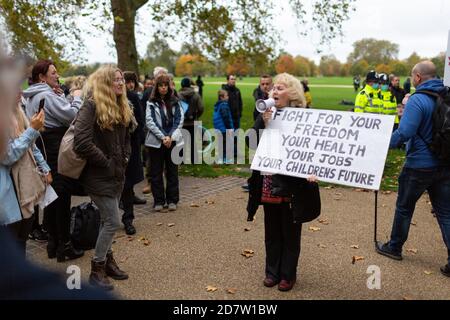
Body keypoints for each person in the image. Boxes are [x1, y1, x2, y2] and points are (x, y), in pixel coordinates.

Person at [246, 73, 321, 292]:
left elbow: (313, 148)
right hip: (269, 179)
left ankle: (288, 275)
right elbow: (250, 141)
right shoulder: (265, 113)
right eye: (273, 89)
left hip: (292, 183)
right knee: (272, 231)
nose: (274, 91)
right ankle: (272, 272)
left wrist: (312, 170)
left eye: (280, 88)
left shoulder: (303, 116)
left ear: (293, 93)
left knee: (290, 232)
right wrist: (263, 121)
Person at [375, 61, 450, 278]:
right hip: (444, 163)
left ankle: (394, 247)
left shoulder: (418, 99)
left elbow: (405, 132)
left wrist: (381, 145)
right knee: (445, 213)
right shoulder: (445, 95)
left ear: (417, 77)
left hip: (419, 165)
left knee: (404, 208)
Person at [73, 65, 132, 290]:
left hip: (117, 174)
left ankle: (108, 261)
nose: (120, 83)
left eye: (121, 79)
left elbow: (127, 136)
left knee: (107, 220)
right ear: (104, 83)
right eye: (115, 80)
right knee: (114, 221)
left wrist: (125, 157)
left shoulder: (121, 105)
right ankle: (96, 269)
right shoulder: (90, 106)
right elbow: (82, 142)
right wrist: (106, 162)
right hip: (98, 176)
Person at [23, 60, 84, 262]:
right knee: (62, 195)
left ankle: (54, 244)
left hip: (43, 147)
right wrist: (76, 98)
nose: (57, 76)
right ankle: (64, 246)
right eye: (53, 73)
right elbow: (71, 116)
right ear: (42, 77)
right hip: (55, 147)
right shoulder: (46, 95)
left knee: (52, 196)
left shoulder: (32, 95)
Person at [1, 101, 51, 257]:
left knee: (22, 237)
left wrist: (44, 167)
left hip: (25, 185)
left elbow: (31, 145)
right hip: (8, 190)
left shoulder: (16, 111)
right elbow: (7, 155)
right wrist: (32, 130)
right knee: (11, 242)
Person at [145, 74, 184, 212]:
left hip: (172, 141)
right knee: (156, 172)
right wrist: (163, 137)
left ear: (169, 86)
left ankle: (172, 200)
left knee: (172, 171)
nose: (163, 88)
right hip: (157, 142)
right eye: (161, 85)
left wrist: (170, 137)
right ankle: (159, 201)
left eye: (165, 85)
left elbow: (179, 120)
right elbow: (150, 121)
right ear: (157, 87)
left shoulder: (175, 101)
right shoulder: (151, 102)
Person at [121, 71, 146, 235]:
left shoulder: (133, 97)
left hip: (130, 145)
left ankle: (128, 218)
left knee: (128, 183)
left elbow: (140, 121)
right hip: (113, 148)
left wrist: (136, 142)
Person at [178, 77, 204, 164]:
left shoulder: (177, 95)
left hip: (182, 122)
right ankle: (194, 160)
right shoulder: (196, 95)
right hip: (193, 121)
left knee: (182, 142)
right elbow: (201, 108)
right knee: (194, 142)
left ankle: (181, 160)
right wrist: (197, 116)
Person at [213, 90, 234, 164]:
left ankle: (220, 159)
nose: (228, 97)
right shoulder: (224, 105)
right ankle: (226, 159)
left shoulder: (217, 105)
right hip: (224, 129)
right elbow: (226, 117)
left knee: (220, 144)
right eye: (226, 95)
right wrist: (229, 128)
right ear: (222, 97)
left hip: (218, 128)